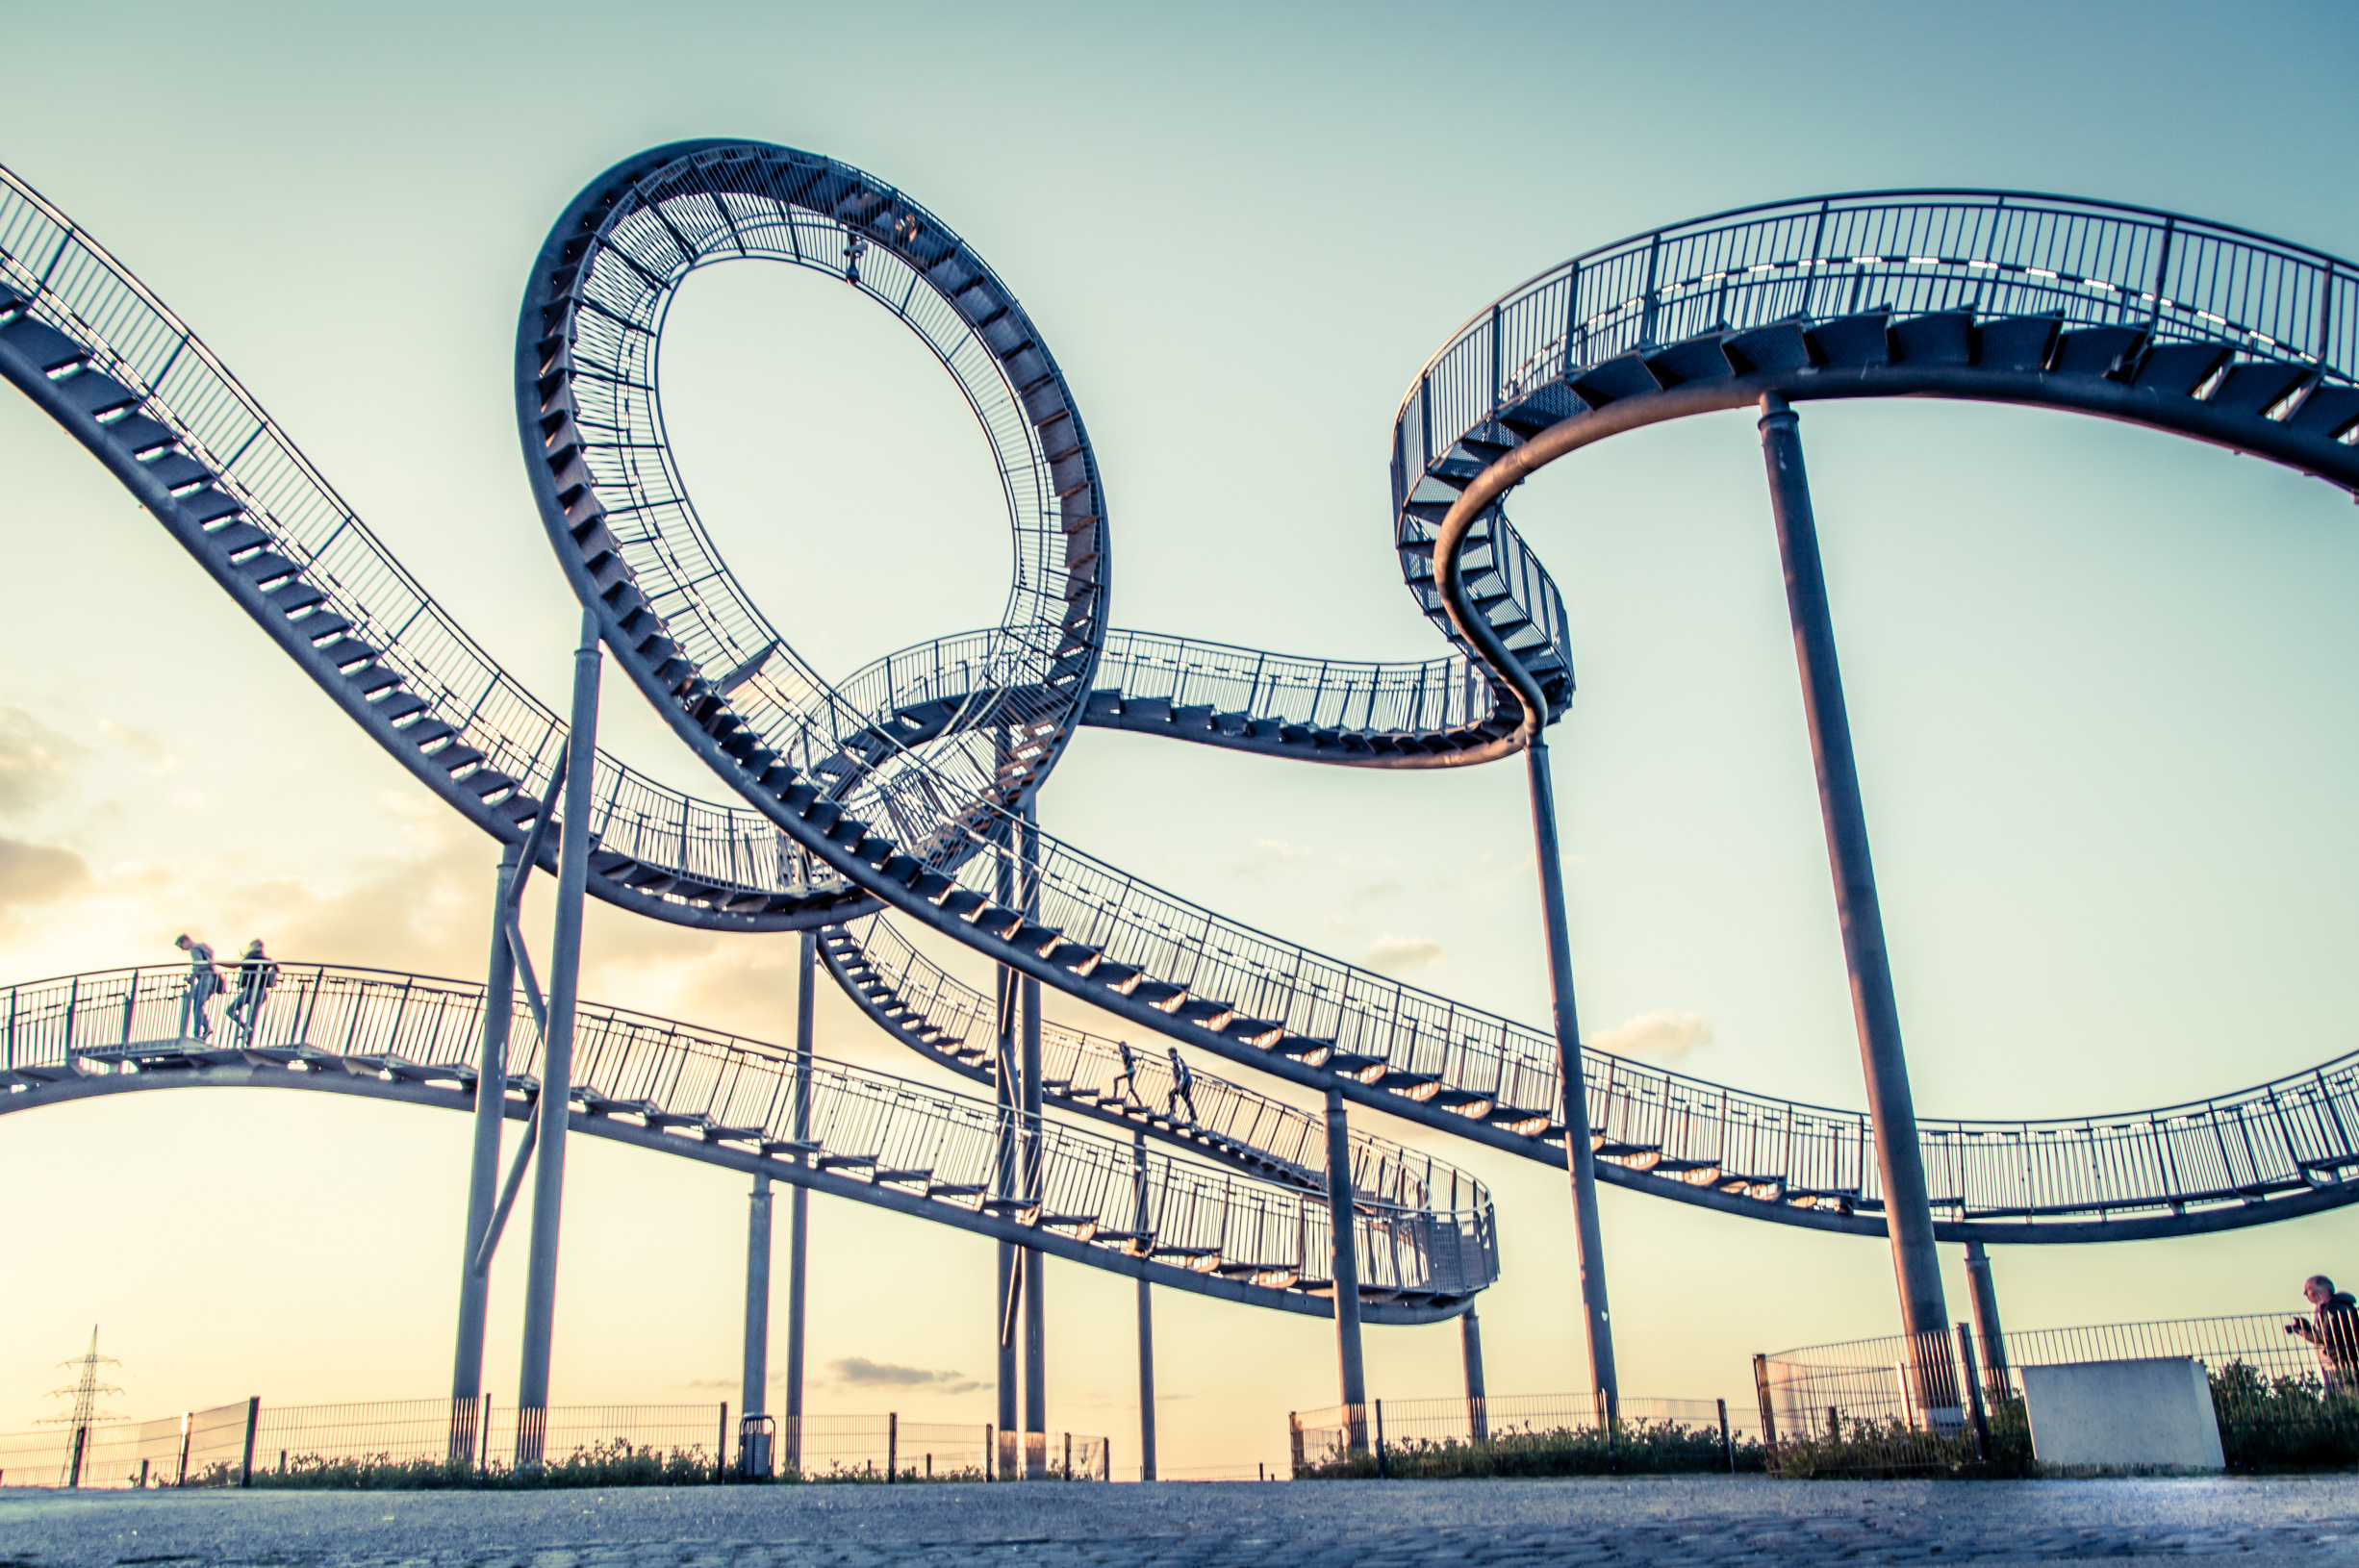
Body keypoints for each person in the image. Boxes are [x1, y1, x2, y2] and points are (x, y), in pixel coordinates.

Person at [2286, 1275, 2359, 1396]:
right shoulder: (2336, 1306)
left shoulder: (2332, 1308)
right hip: (2341, 1361)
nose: (2305, 1293)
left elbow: (2328, 1337)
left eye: (2308, 1289)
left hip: (2343, 1362)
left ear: (2320, 1293)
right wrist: (2308, 1329)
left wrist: (2302, 1332)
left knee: (2347, 1398)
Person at [224, 939, 280, 1044]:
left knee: (230, 1010)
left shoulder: (250, 957)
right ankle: (248, 1041)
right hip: (261, 991)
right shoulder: (266, 959)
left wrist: (217, 963)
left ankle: (246, 1028)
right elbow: (276, 968)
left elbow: (235, 965)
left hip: (250, 990)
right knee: (253, 1018)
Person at [174, 934, 221, 1041]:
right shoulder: (204, 947)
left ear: (186, 941)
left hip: (204, 978)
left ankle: (198, 1034)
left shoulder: (194, 949)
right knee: (199, 1005)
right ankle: (205, 1027)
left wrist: (192, 977)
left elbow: (200, 965)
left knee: (197, 1006)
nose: (183, 950)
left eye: (181, 946)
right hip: (212, 978)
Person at [1165, 1047, 1200, 1124]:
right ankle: (1193, 1117)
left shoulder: (1178, 1060)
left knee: (1175, 1095)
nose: (1169, 1055)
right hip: (1184, 1083)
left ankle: (1173, 1112)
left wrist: (1180, 1083)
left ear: (1174, 1053)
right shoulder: (1175, 1061)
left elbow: (1182, 1072)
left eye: (1169, 1053)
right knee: (1186, 1099)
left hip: (1185, 1084)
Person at [1108, 1041, 1142, 1106]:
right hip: (1129, 1072)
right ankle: (1114, 1096)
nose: (1120, 1048)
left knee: (1130, 1088)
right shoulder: (1124, 1053)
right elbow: (1130, 1056)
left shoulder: (1126, 1052)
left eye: (1120, 1047)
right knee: (1117, 1080)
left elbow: (1129, 1055)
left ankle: (1140, 1103)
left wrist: (1124, 1048)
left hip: (1131, 1072)